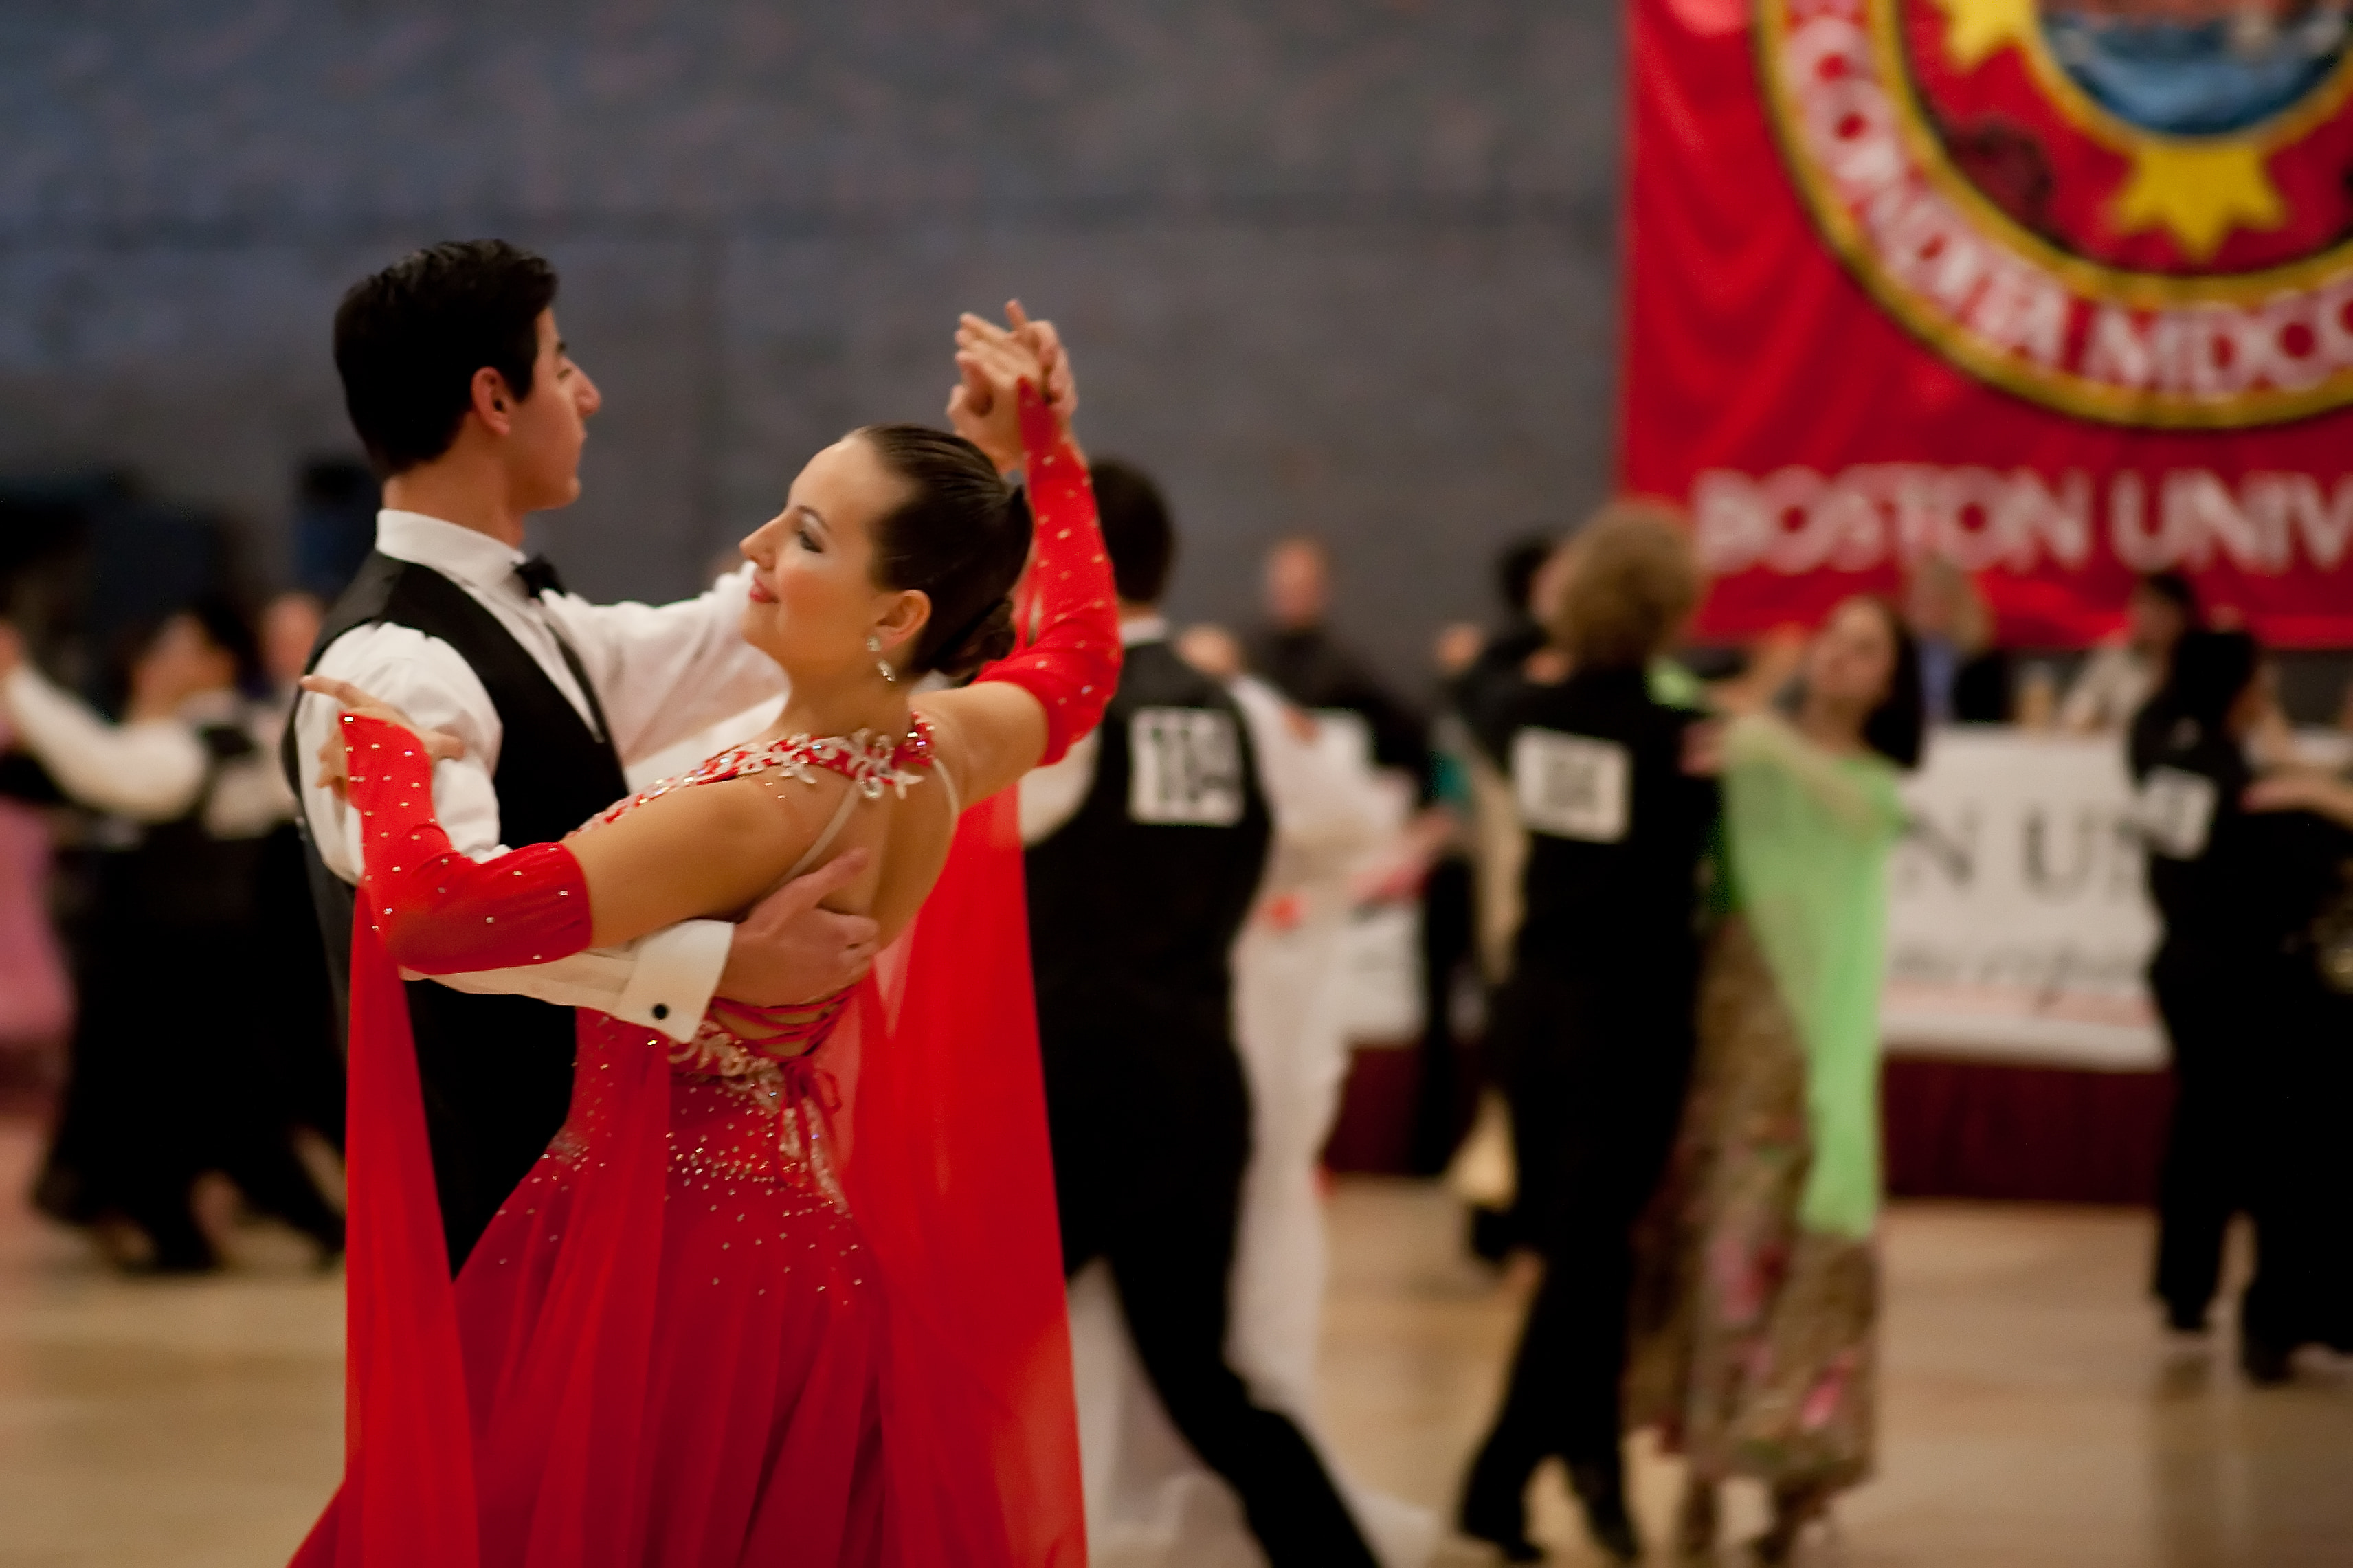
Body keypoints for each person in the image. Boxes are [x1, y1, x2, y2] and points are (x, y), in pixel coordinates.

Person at [290, 307, 1111, 1565]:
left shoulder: (752, 806)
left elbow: (436, 920)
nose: (756, 548)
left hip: (663, 1261)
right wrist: (1043, 456)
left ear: (894, 616)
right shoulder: (937, 750)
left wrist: (388, 761)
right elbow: (1078, 663)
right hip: (791, 1244)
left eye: (805, 537)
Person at [285, 240, 880, 1272]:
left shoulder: (529, 619)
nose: (590, 395)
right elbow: (442, 926)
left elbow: (717, 637)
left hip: (580, 1168)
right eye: (563, 364)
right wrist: (721, 969)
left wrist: (945, 495)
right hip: (493, 1196)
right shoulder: (393, 663)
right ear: (494, 398)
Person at [1021, 464, 1383, 1567]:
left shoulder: (1052, 711)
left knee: (951, 1356)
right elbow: (1351, 821)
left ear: (1056, 562)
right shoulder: (1247, 707)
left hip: (1071, 1092)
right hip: (1196, 1082)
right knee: (1204, 1380)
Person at [1627, 596, 1920, 1566]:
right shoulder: (1744, 745)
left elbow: (1860, 809)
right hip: (1732, 1027)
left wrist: (1766, 738)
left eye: (1864, 647)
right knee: (1726, 1241)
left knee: (1814, 1261)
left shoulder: (1866, 782)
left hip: (1814, 1051)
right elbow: (1666, 707)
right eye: (1832, 638)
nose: (1840, 655)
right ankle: (1704, 1479)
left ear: (1888, 677)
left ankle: (1797, 1487)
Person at [1457, 512, 1721, 1565]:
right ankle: (1502, 1474)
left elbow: (1477, 688)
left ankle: (1592, 1469)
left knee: (1584, 1256)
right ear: (1669, 611)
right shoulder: (1683, 742)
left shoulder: (1524, 713)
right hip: (1632, 1016)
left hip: (1535, 1011)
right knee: (1587, 1257)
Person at [1, 601, 346, 1270]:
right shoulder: (194, 735)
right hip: (176, 959)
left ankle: (302, 1224)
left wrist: (18, 681)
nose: (159, 660)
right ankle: (185, 1231)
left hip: (187, 965)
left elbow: (107, 771)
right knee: (185, 1105)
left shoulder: (212, 740)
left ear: (218, 662)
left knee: (228, 1101)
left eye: (177, 647)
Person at [2132, 631, 2353, 1380]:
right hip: (2242, 986)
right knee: (2272, 1147)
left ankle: (2187, 1289)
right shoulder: (2242, 788)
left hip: (2183, 972)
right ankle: (2279, 1318)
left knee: (2203, 1127)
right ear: (2241, 689)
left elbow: (2163, 874)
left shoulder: (2180, 763)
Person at [2060, 572, 2198, 734]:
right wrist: (2093, 719)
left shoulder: (2199, 665)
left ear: (2182, 616)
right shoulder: (2114, 656)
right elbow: (2076, 711)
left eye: (2160, 608)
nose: (2148, 616)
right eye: (2143, 605)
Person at [1904, 553, 2007, 723]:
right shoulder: (1901, 654)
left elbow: (1988, 722)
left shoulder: (1982, 661)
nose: (1922, 610)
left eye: (1933, 601)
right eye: (1918, 600)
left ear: (1957, 603)